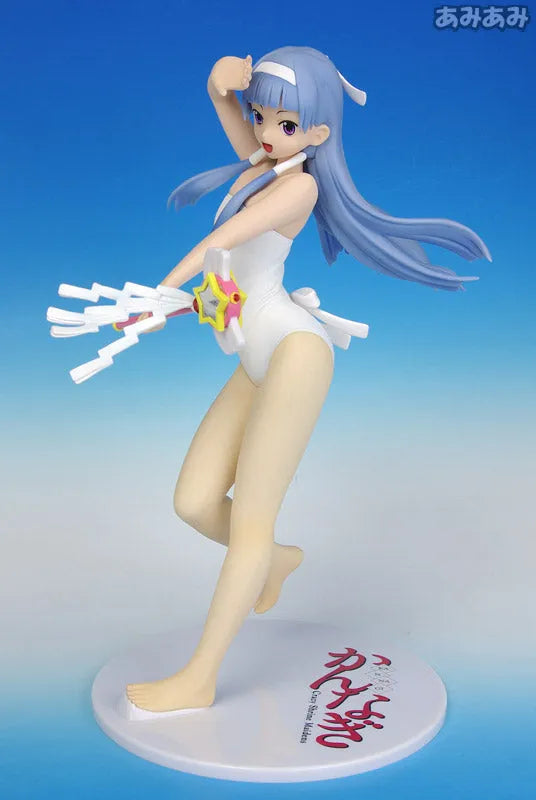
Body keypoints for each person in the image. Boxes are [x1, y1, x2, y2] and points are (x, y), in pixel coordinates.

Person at [126, 46, 490, 714]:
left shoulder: (299, 187)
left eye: (286, 123)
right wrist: (218, 91)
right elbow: (245, 145)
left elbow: (222, 241)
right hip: (255, 356)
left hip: (295, 354)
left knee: (250, 524)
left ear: (318, 131)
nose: (267, 132)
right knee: (194, 502)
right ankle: (275, 560)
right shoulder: (264, 167)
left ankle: (199, 676)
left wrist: (157, 296)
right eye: (261, 116)